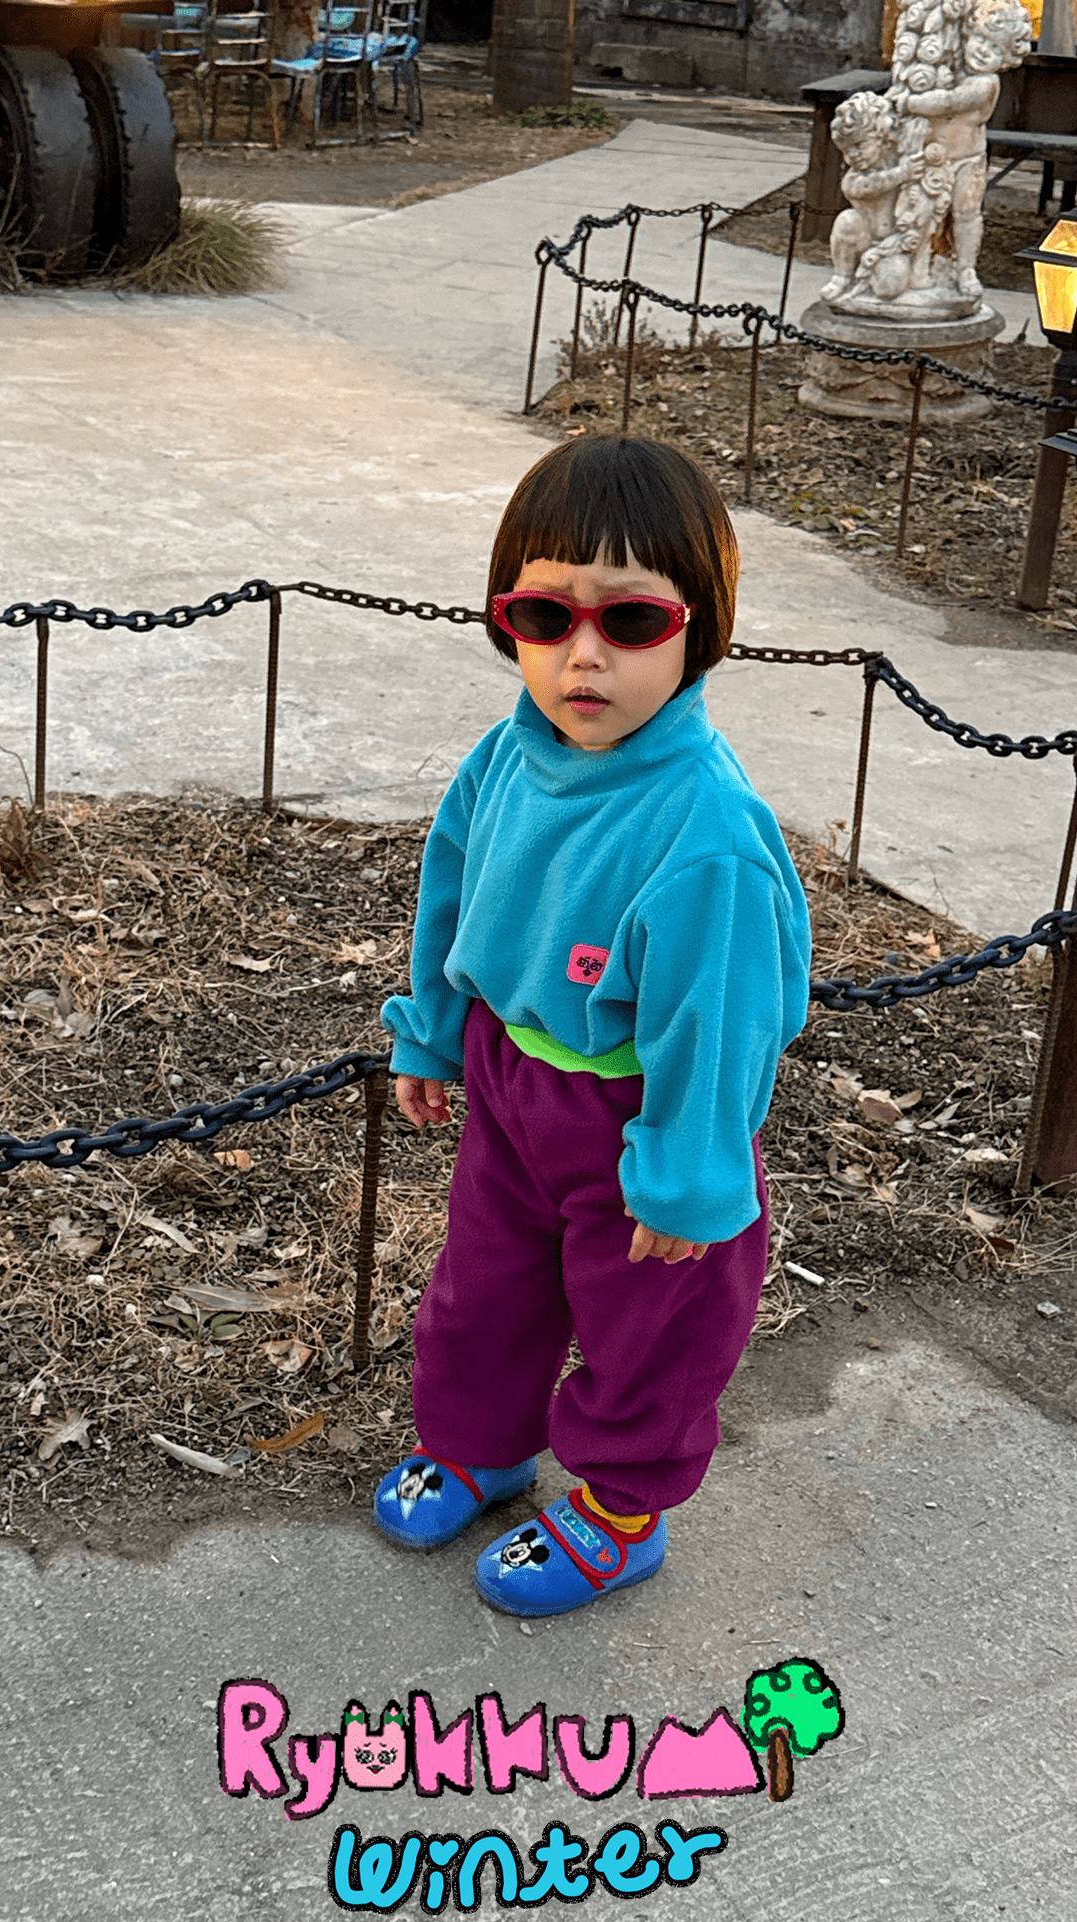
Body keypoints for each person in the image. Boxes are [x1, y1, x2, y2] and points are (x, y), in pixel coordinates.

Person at [373, 435, 812, 1618]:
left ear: (698, 626)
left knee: (649, 1327)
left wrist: (690, 1173)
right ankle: (481, 1444)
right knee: (485, 1285)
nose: (582, 655)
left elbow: (724, 1020)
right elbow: (454, 893)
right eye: (544, 614)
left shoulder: (705, 829)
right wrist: (432, 1029)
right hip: (511, 1084)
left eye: (630, 620)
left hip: (640, 1115)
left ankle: (621, 1508)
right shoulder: (509, 757)